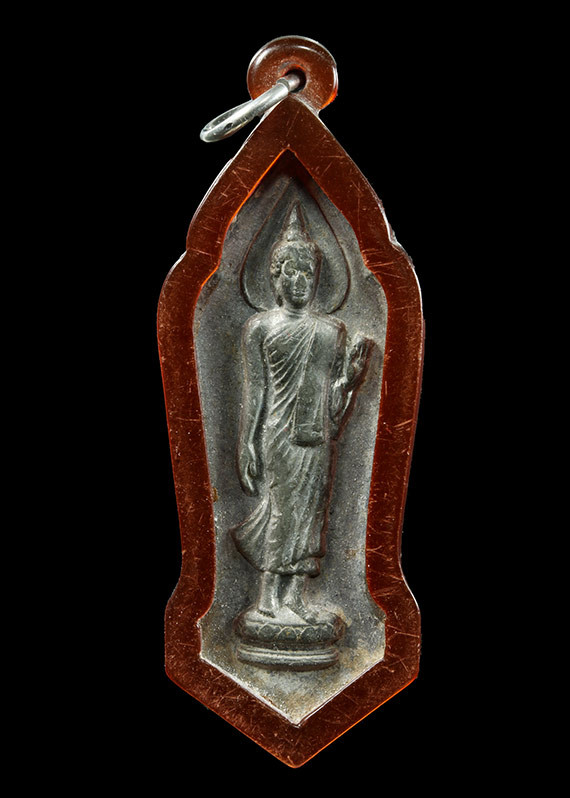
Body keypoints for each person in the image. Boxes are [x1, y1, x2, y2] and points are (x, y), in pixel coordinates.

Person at [231, 204, 370, 624]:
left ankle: (295, 598)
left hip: (316, 436)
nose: (299, 282)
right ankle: (266, 597)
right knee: (283, 509)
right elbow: (255, 392)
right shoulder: (260, 328)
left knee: (312, 515)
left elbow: (333, 404)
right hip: (278, 434)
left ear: (317, 278)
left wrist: (349, 379)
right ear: (275, 278)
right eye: (290, 273)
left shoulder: (331, 331)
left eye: (307, 273)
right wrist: (247, 444)